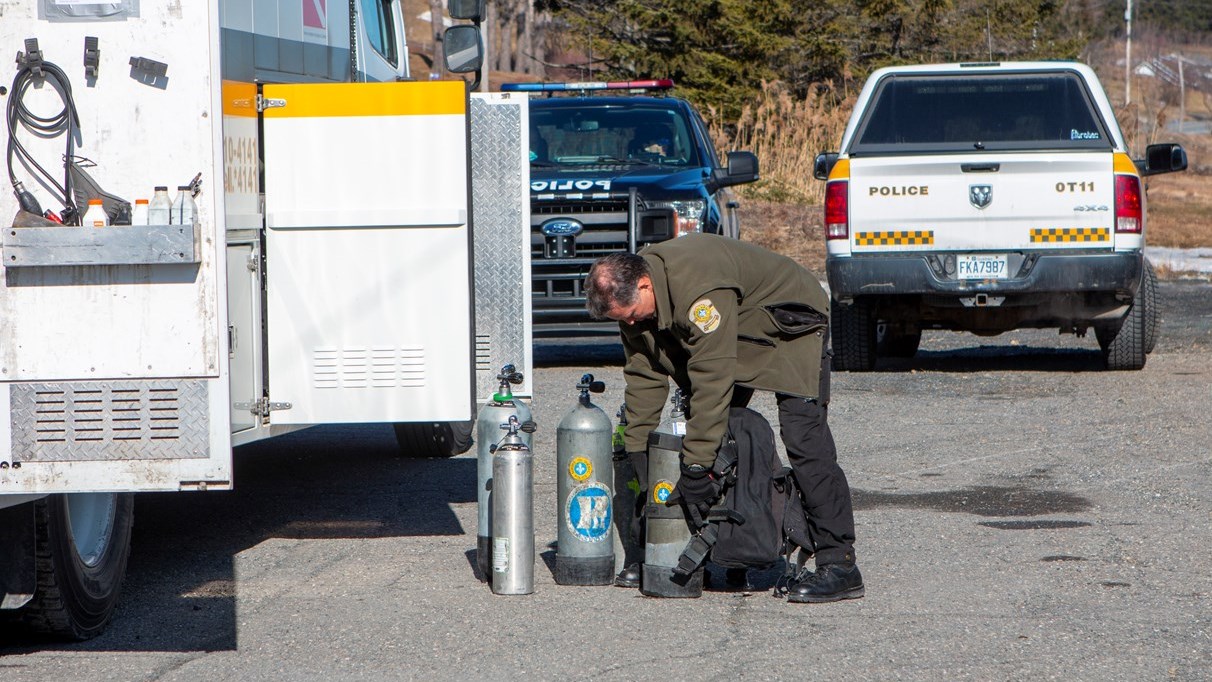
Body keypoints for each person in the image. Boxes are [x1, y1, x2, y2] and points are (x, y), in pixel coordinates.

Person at [583, 234, 863, 603]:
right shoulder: (632, 299)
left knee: (804, 439)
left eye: (633, 314)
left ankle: (839, 564)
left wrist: (697, 467)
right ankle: (729, 550)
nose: (632, 324)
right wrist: (641, 456)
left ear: (645, 284)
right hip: (739, 323)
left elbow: (711, 378)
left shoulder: (698, 289)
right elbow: (644, 376)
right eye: (625, 321)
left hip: (790, 320)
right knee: (720, 432)